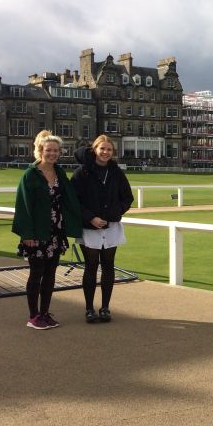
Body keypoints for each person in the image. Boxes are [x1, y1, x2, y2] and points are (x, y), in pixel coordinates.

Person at [12, 132, 82, 330]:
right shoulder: (30, 175)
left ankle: (44, 312)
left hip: (55, 231)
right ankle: (33, 316)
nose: (52, 153)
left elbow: (70, 199)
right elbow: (23, 206)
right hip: (36, 232)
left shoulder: (59, 173)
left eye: (55, 150)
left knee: (51, 273)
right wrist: (27, 235)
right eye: (48, 150)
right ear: (40, 151)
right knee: (37, 273)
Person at [71, 135, 134, 324]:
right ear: (95, 149)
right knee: (91, 266)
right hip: (89, 227)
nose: (106, 152)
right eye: (102, 149)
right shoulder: (82, 172)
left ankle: (105, 307)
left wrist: (113, 213)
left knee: (108, 266)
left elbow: (127, 198)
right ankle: (89, 309)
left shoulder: (116, 172)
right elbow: (74, 201)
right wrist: (91, 217)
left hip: (111, 226)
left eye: (109, 150)